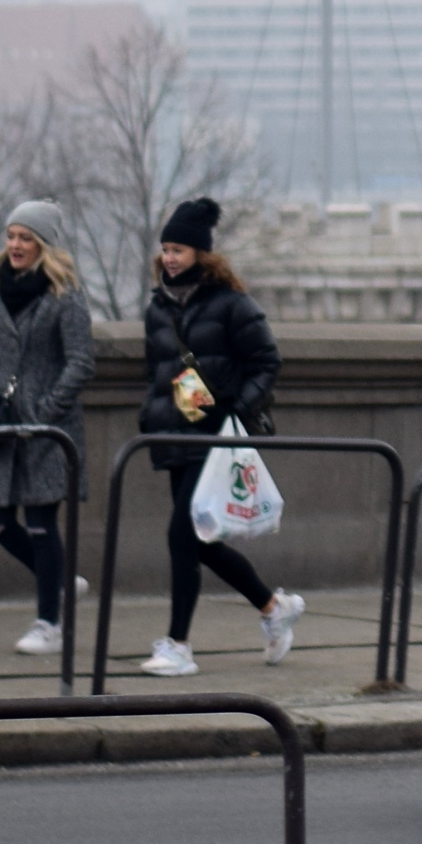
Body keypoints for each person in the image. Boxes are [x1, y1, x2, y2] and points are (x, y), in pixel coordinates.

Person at [138, 198, 301, 677]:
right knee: (201, 541)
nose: (170, 258)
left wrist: (239, 409)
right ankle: (274, 609)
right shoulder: (158, 308)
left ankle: (179, 646)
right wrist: (153, 415)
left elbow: (267, 363)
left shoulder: (232, 305)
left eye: (180, 249)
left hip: (216, 437)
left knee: (181, 534)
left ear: (202, 254)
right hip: (178, 435)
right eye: (166, 249)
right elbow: (158, 372)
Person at [0, 200, 95, 656]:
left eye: (26, 238)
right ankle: (62, 581)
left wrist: (45, 412)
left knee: (42, 523)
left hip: (47, 433)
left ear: (44, 244)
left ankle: (49, 621)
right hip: (2, 426)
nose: (16, 245)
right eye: (11, 236)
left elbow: (82, 362)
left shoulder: (66, 295)